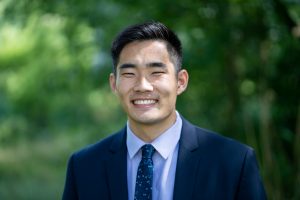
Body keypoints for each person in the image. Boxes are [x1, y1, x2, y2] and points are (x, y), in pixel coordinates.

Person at [62, 21, 267, 200]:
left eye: (156, 72)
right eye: (129, 73)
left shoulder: (232, 162)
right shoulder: (84, 167)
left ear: (181, 81)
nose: (143, 86)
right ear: (114, 84)